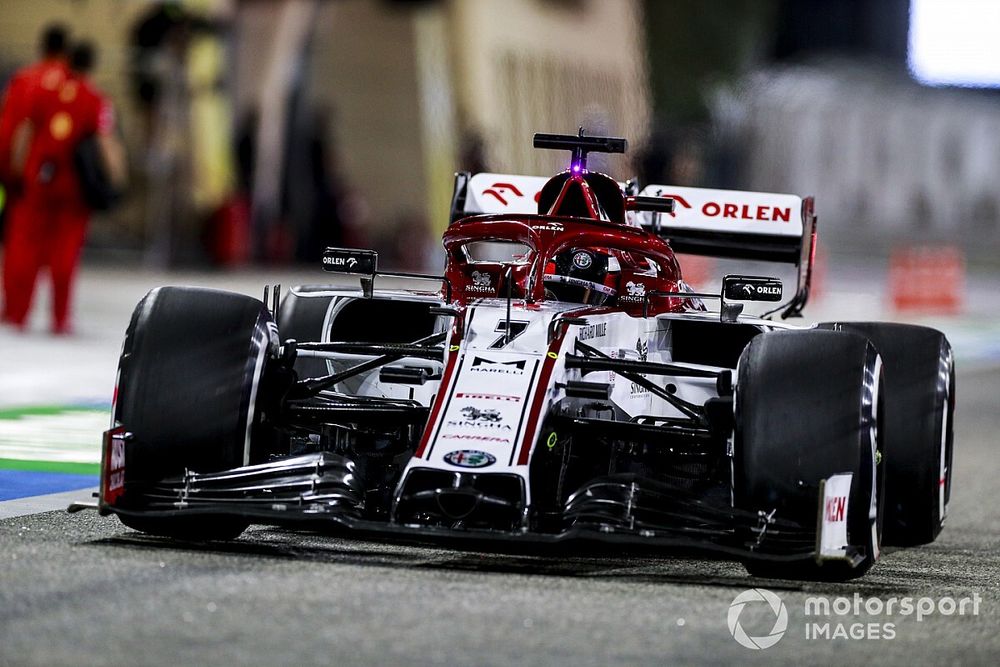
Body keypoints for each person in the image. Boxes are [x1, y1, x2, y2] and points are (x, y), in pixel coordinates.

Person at [2, 41, 125, 334]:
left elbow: (25, 132)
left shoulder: (40, 90)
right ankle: (59, 319)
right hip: (72, 190)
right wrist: (117, 177)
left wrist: (19, 169)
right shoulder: (96, 99)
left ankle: (18, 314)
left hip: (39, 182)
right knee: (65, 254)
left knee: (24, 249)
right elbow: (106, 143)